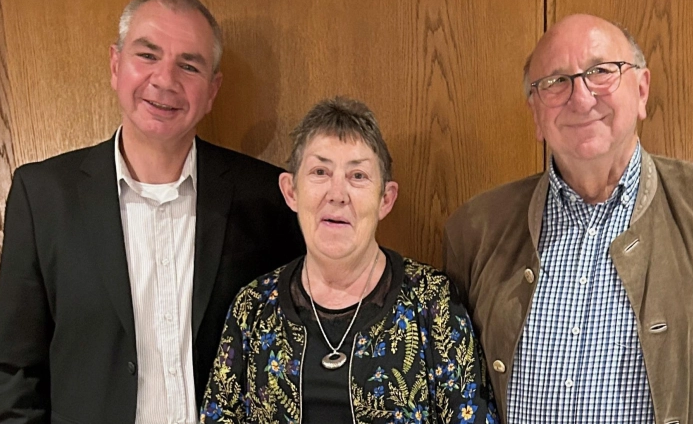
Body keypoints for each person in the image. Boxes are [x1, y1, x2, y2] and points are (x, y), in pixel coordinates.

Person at [443, 13, 693, 424]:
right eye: (556, 82)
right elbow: (455, 387)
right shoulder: (478, 228)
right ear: (535, 113)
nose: (581, 97)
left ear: (642, 90)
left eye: (601, 72)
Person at [0, 0, 304, 424]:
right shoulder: (43, 195)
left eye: (189, 65)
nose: (165, 80)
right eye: (148, 55)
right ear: (116, 65)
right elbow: (14, 372)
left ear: (212, 90)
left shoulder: (269, 197)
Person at [200, 97, 498, 424]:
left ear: (385, 199)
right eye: (320, 172)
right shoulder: (253, 307)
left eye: (357, 175)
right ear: (291, 191)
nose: (337, 193)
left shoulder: (432, 301)